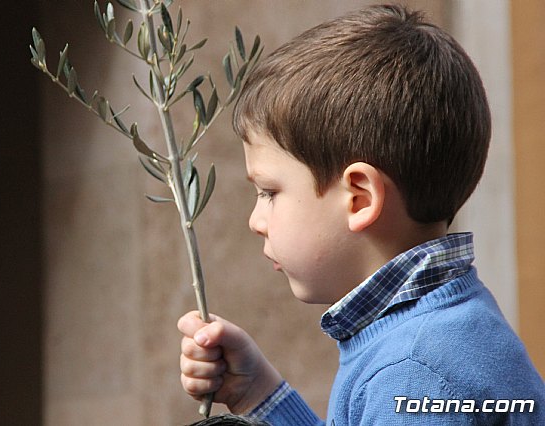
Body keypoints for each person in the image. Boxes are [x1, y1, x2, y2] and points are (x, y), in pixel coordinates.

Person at [178, 4, 544, 426]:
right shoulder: (442, 331)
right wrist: (258, 392)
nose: (255, 220)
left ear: (359, 198)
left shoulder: (413, 372)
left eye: (269, 192)